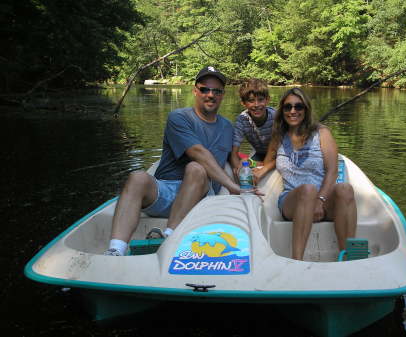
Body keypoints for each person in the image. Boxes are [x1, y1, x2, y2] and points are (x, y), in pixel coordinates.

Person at [104, 66, 242, 256]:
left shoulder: (227, 127)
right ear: (195, 91)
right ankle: (115, 250)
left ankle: (169, 238)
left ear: (222, 95)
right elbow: (197, 152)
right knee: (137, 177)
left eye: (216, 91)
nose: (210, 95)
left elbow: (234, 159)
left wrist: (246, 179)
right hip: (168, 191)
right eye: (204, 89)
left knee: (196, 169)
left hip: (203, 197)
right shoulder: (179, 117)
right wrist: (231, 185)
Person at [253, 87, 357, 260]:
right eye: (288, 107)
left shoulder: (322, 133)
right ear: (282, 110)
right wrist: (262, 170)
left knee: (345, 189)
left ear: (305, 109)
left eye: (298, 106)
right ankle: (297, 260)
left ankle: (349, 256)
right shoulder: (279, 135)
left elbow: (332, 170)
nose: (293, 111)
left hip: (323, 200)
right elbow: (270, 160)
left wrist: (320, 200)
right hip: (292, 200)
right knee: (307, 190)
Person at [230, 78, 275, 179]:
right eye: (251, 101)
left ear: (267, 100)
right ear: (243, 103)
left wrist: (264, 167)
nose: (256, 105)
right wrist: (239, 171)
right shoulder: (241, 120)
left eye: (260, 100)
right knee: (242, 161)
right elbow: (234, 153)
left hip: (278, 154)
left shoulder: (276, 117)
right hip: (259, 154)